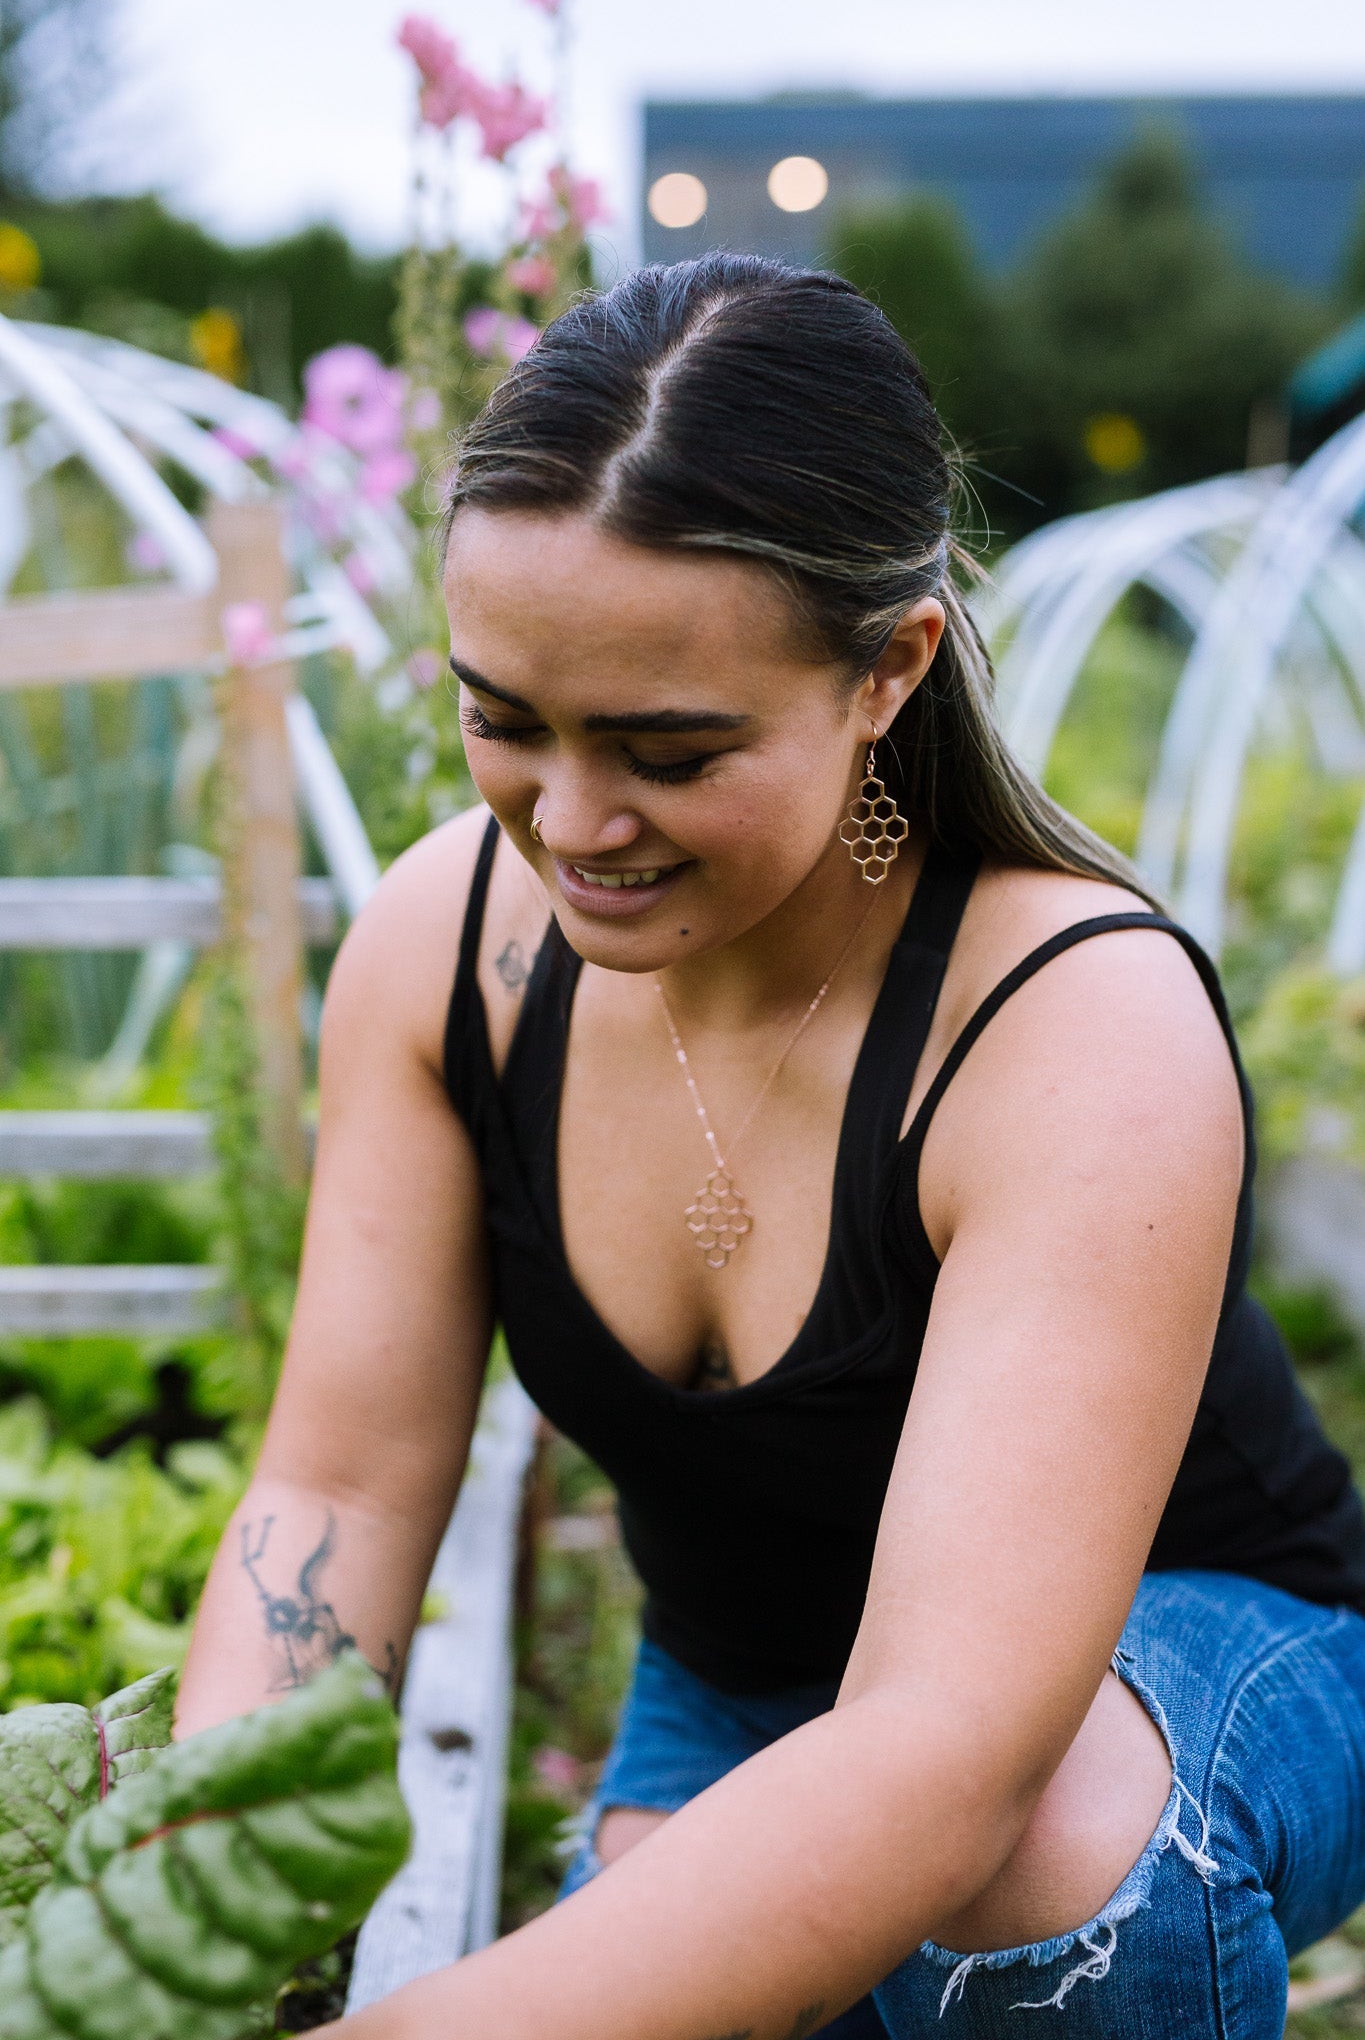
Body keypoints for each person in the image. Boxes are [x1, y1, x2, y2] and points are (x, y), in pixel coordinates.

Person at [177, 254, 1365, 2040]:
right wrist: (207, 1917)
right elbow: (334, 1493)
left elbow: (952, 1744)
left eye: (664, 747)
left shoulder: (1066, 1029)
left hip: (1175, 1674)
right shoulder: (447, 955)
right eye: (501, 719)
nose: (567, 822)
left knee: (1028, 1867)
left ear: (885, 670)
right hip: (746, 1687)